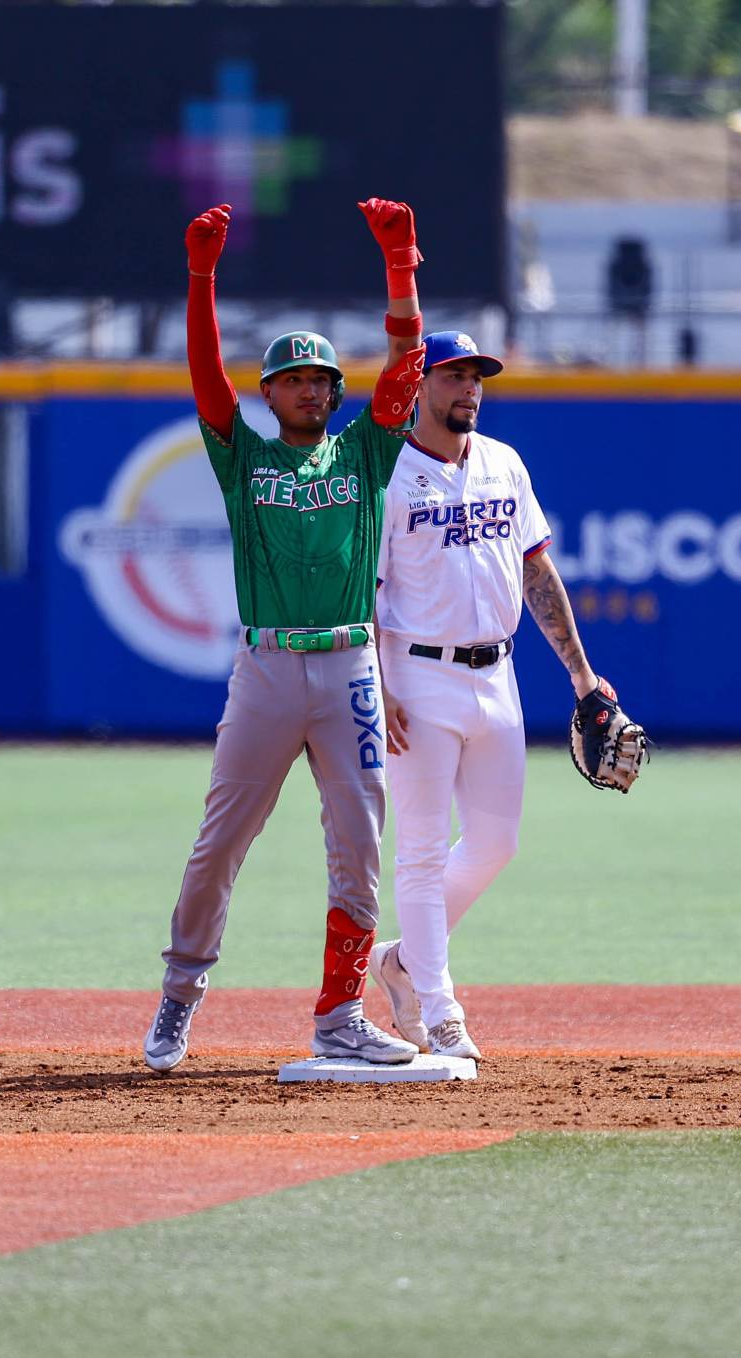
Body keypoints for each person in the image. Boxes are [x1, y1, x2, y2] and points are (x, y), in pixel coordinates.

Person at [141, 198, 428, 1072]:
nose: (309, 387)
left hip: (347, 666)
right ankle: (179, 995)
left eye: (321, 379)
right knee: (221, 840)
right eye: (293, 379)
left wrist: (401, 267)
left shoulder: (365, 453)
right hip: (267, 666)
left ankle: (340, 1012)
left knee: (360, 843)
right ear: (269, 394)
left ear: (336, 393)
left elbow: (410, 363)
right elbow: (202, 376)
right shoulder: (244, 457)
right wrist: (200, 277)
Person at [365, 331, 624, 1060]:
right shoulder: (388, 474)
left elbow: (538, 574)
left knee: (496, 843)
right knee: (417, 852)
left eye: (477, 376)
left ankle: (402, 964)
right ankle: (441, 1010)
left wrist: (581, 675)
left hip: (495, 674)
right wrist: (377, 688)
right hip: (415, 675)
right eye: (452, 375)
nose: (468, 388)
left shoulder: (505, 464)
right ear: (417, 386)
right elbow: (364, 595)